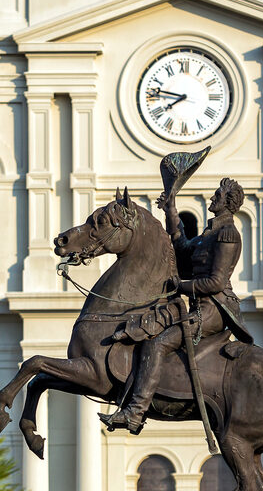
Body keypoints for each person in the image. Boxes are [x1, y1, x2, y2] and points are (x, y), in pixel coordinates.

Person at [100, 177, 253, 434]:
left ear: (228, 203)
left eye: (218, 194)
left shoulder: (227, 234)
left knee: (158, 343)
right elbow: (182, 249)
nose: (212, 198)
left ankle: (135, 412)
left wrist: (179, 286)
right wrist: (171, 210)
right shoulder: (210, 233)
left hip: (213, 310)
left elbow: (216, 282)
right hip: (197, 307)